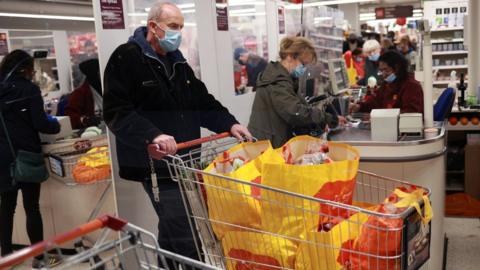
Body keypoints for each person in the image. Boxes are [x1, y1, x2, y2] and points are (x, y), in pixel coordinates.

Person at [102, 1, 251, 261]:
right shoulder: (126, 57)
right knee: (188, 237)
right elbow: (117, 112)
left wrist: (230, 123)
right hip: (155, 166)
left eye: (181, 27)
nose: (178, 33)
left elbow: (202, 103)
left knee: (173, 234)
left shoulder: (178, 63)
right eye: (172, 26)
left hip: (185, 161)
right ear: (153, 26)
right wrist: (153, 134)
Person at [0, 50, 61, 268]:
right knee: (31, 207)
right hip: (25, 154)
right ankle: (40, 258)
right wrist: (56, 124)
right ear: (25, 68)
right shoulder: (29, 89)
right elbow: (41, 123)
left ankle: (6, 257)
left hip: (2, 158)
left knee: (6, 209)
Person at [248, 36, 341, 148]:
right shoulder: (277, 81)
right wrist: (326, 118)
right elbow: (294, 112)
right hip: (267, 145)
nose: (304, 69)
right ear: (290, 57)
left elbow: (299, 106)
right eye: (303, 64)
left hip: (272, 139)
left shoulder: (285, 78)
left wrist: (319, 122)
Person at [350, 50, 424, 113]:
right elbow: (375, 101)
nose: (383, 74)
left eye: (386, 70)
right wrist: (359, 106)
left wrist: (382, 117)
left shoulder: (411, 86)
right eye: (381, 70)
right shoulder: (387, 84)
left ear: (397, 67)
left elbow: (410, 113)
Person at [65, 59, 102, 129]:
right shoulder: (80, 93)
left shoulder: (106, 88)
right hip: (90, 132)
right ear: (93, 74)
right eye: (99, 72)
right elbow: (70, 118)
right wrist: (85, 120)